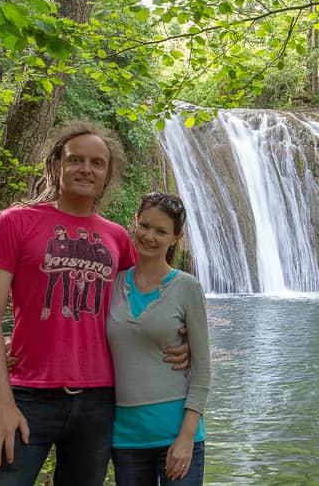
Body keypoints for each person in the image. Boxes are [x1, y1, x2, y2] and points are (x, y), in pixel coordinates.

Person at [0, 121, 189, 486]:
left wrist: (186, 343)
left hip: (99, 400)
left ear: (107, 176)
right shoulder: (14, 223)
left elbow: (150, 303)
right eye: (75, 160)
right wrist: (0, 403)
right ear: (57, 164)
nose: (85, 169)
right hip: (27, 395)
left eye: (97, 163)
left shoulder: (118, 238)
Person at [108, 192, 210, 486]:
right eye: (146, 226)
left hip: (176, 434)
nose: (150, 237)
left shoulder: (187, 288)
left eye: (161, 231)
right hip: (125, 439)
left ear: (176, 238)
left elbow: (202, 371)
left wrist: (186, 437)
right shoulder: (113, 284)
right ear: (135, 223)